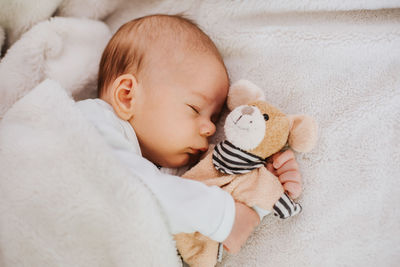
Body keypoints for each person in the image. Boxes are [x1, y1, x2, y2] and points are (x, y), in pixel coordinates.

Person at [76, 14, 302, 256]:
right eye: (195, 109)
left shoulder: (168, 174)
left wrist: (261, 186)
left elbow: (194, 240)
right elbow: (134, 189)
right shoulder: (89, 122)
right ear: (127, 95)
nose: (211, 129)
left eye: (214, 119)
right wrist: (223, 217)